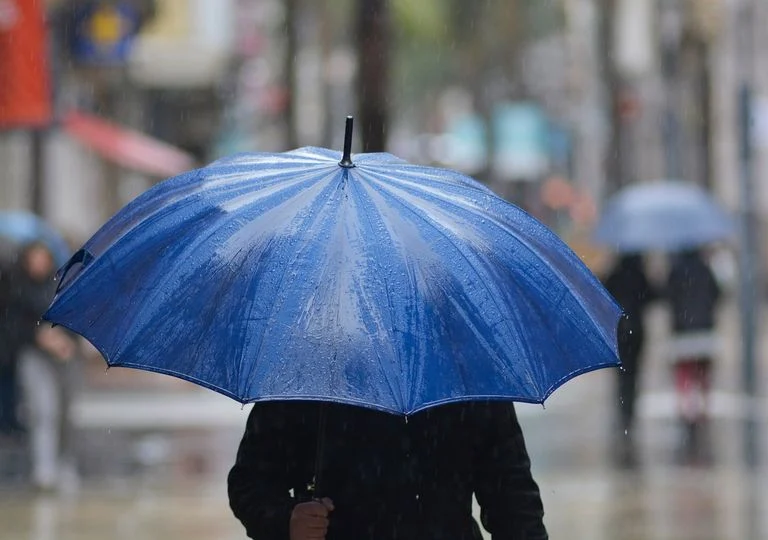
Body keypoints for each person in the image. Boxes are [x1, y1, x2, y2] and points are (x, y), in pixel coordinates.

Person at [228, 401, 548, 540]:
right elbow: (251, 482)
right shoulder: (308, 377)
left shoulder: (468, 373)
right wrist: (287, 521)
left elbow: (512, 499)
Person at [10, 242, 79, 491]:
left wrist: (66, 342)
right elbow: (12, 327)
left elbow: (77, 319)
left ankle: (64, 464)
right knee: (43, 411)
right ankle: (43, 470)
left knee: (65, 413)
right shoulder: (15, 289)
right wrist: (37, 336)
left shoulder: (61, 286)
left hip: (64, 358)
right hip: (33, 356)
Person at [602, 253, 657, 459]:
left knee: (621, 376)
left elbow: (603, 295)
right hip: (637, 332)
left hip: (619, 333)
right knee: (634, 374)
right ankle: (630, 413)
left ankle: (623, 412)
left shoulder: (615, 275)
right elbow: (652, 296)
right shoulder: (640, 275)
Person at [665, 248, 721, 453]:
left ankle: (685, 408)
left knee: (684, 369)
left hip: (682, 327)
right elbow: (717, 293)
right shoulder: (706, 269)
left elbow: (668, 295)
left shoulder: (676, 271)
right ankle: (704, 407)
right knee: (703, 370)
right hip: (704, 326)